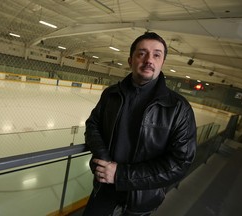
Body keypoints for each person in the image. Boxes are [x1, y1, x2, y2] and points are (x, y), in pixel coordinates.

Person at [83, 32, 197, 216]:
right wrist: (103, 158)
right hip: (103, 190)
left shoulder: (178, 108)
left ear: (162, 62)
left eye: (156, 55)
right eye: (142, 53)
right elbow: (93, 124)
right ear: (130, 60)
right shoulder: (111, 94)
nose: (149, 60)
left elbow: (180, 163)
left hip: (142, 201)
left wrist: (120, 175)